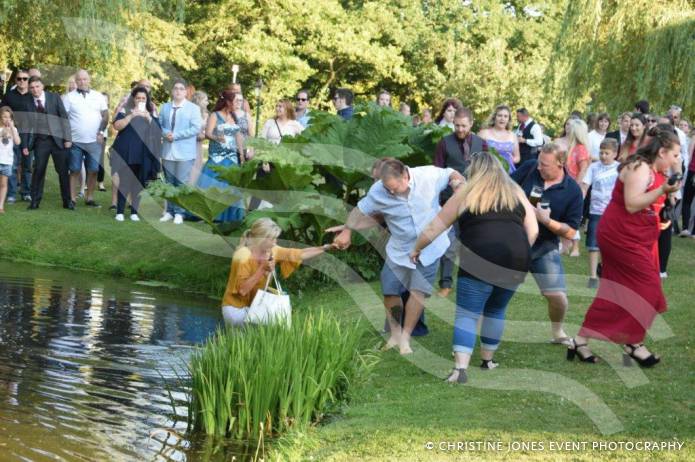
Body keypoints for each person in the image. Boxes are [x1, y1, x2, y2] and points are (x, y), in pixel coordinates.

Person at [411, 152, 538, 383]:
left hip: (480, 255)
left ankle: (460, 370)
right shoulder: (515, 192)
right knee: (496, 310)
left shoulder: (466, 193)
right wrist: (520, 252)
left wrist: (416, 248)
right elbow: (533, 230)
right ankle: (488, 361)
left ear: (473, 171)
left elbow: (435, 227)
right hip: (517, 258)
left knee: (467, 314)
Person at [568, 126, 682, 367]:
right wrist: (662, 189)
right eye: (674, 154)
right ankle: (632, 342)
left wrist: (668, 191)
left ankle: (581, 340)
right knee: (647, 289)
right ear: (661, 152)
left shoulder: (654, 168)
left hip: (638, 235)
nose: (677, 159)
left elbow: (656, 199)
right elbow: (631, 204)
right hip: (620, 235)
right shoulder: (639, 168)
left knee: (618, 291)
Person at [331, 158, 464, 354]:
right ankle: (394, 334)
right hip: (400, 248)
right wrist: (347, 232)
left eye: (394, 188)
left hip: (431, 247)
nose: (391, 192)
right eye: (388, 189)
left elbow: (451, 172)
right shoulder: (379, 189)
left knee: (418, 292)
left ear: (405, 175)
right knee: (390, 290)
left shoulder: (427, 175)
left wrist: (458, 184)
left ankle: (406, 338)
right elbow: (360, 210)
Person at [511, 143, 583, 345]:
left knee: (558, 296)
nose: (539, 167)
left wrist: (546, 221)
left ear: (560, 163)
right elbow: (507, 186)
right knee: (495, 287)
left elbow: (571, 230)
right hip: (514, 239)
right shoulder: (531, 167)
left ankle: (558, 331)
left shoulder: (573, 191)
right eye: (540, 162)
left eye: (545, 164)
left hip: (544, 246)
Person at [221, 218, 335, 326]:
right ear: (262, 239)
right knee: (243, 342)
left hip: (255, 307)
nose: (275, 242)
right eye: (272, 239)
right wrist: (262, 269)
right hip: (235, 309)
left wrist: (325, 248)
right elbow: (242, 290)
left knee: (259, 339)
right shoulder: (243, 254)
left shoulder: (272, 250)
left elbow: (299, 253)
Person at [433, 107, 488, 297]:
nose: (460, 129)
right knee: (449, 243)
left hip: (475, 201)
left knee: (474, 242)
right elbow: (437, 173)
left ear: (471, 124)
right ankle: (446, 283)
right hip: (450, 199)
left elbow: (487, 172)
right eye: (456, 125)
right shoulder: (444, 143)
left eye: (464, 126)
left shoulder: (482, 144)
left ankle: (473, 279)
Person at [110, 86, 162, 222]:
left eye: (143, 98)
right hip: (127, 151)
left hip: (144, 152)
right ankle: (120, 212)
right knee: (125, 181)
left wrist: (149, 117)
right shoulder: (126, 110)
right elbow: (117, 126)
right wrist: (132, 115)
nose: (140, 100)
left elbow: (158, 131)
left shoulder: (151, 112)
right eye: (138, 98)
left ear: (147, 99)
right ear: (133, 98)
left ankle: (134, 212)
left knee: (139, 183)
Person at [62, 69, 109, 208]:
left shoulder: (98, 96)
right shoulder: (69, 97)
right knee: (75, 169)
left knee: (93, 169)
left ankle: (89, 198)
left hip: (94, 141)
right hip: (75, 141)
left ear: (89, 80)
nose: (82, 82)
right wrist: (67, 137)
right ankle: (72, 199)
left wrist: (101, 131)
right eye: (79, 79)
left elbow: (106, 115)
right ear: (76, 82)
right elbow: (64, 118)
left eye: (84, 79)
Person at [159, 79, 203, 224]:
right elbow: (159, 125)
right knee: (169, 182)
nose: (178, 91)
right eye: (176, 88)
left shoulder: (193, 108)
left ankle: (180, 212)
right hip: (168, 150)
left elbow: (196, 128)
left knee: (181, 182)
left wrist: (176, 135)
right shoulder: (165, 107)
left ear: (185, 92)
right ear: (172, 91)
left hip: (184, 152)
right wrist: (166, 134)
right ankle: (170, 211)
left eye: (181, 89)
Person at [25, 76, 73, 210]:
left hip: (59, 140)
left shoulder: (54, 97)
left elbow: (64, 117)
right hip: (41, 141)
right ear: (30, 89)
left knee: (63, 171)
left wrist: (68, 139)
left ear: (42, 86)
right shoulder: (28, 102)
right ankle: (35, 201)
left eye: (37, 86)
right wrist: (26, 145)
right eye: (32, 88)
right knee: (38, 170)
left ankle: (67, 202)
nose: (35, 90)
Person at [200, 90, 246, 222]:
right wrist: (216, 138)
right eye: (234, 101)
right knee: (214, 185)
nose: (237, 103)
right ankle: (210, 213)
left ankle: (228, 214)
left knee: (229, 186)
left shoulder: (234, 116)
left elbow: (238, 137)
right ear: (227, 102)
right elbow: (208, 133)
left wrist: (241, 154)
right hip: (217, 156)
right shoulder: (215, 115)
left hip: (231, 156)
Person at [581, 138, 620, 288]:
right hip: (596, 211)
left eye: (607, 153)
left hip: (613, 212)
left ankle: (604, 269)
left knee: (610, 244)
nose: (603, 156)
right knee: (593, 243)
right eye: (601, 153)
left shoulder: (620, 168)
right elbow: (585, 186)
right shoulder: (593, 167)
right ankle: (592, 276)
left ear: (615, 154)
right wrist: (580, 199)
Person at [0, 70, 32, 203]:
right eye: (19, 79)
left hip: (29, 135)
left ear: (28, 80)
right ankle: (11, 193)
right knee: (12, 164)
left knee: (27, 165)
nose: (22, 81)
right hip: (12, 134)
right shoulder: (9, 95)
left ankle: (26, 192)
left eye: (25, 79)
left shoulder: (33, 96)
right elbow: (2, 113)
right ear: (16, 80)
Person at [563, 118, 591, 257]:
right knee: (566, 215)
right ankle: (566, 245)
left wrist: (576, 187)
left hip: (577, 187)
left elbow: (583, 169)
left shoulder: (581, 149)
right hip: (569, 185)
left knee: (574, 217)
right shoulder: (572, 147)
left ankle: (575, 248)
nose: (568, 130)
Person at [478, 104, 520, 173]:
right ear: (494, 117)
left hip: (508, 173)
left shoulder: (513, 136)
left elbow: (517, 157)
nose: (502, 118)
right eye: (499, 115)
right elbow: (476, 153)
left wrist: (511, 159)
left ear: (508, 119)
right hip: (488, 171)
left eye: (505, 116)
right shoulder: (483, 133)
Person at [0, 106, 21, 213]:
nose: (6, 119)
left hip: (7, 161)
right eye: (4, 117)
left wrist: (12, 128)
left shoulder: (14, 130)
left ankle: (1, 206)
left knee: (4, 184)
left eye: (9, 117)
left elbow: (17, 142)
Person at [189, 90, 209, 186]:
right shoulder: (190, 113)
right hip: (190, 144)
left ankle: (194, 187)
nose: (207, 103)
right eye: (205, 100)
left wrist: (206, 135)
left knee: (198, 166)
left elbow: (207, 131)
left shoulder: (206, 115)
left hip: (199, 145)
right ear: (199, 101)